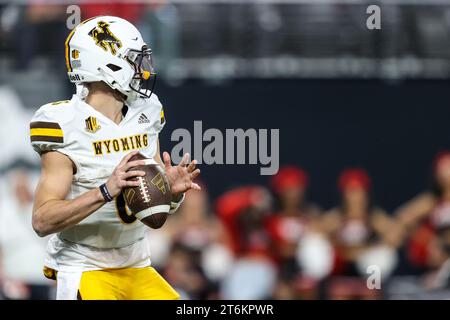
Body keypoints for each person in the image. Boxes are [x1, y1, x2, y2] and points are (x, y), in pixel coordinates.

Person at [29, 16, 201, 300]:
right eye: (135, 60)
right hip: (86, 267)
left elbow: (152, 214)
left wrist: (169, 193)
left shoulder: (145, 113)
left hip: (136, 263)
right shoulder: (64, 123)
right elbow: (42, 221)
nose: (143, 69)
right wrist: (106, 191)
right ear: (106, 64)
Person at [322, 168, 400, 299]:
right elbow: (316, 234)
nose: (355, 197)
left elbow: (395, 236)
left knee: (376, 276)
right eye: (351, 192)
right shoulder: (336, 218)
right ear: (344, 194)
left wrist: (371, 248)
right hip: (342, 274)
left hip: (367, 276)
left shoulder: (374, 218)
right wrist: (338, 246)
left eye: (359, 192)